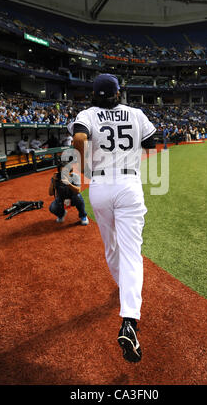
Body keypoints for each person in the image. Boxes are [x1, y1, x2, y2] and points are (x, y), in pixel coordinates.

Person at [72, 73, 156, 363]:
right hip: (129, 185)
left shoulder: (88, 113)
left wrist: (84, 165)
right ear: (118, 93)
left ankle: (124, 286)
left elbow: (79, 136)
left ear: (95, 94)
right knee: (133, 254)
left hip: (100, 186)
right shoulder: (135, 112)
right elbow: (151, 142)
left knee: (111, 247)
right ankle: (129, 320)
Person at [48, 155, 89, 226]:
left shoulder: (75, 176)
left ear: (71, 171)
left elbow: (78, 190)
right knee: (53, 208)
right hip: (61, 199)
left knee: (78, 197)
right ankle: (61, 214)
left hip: (73, 198)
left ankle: (83, 216)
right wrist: (53, 182)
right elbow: (51, 193)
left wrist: (69, 183)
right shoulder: (56, 178)